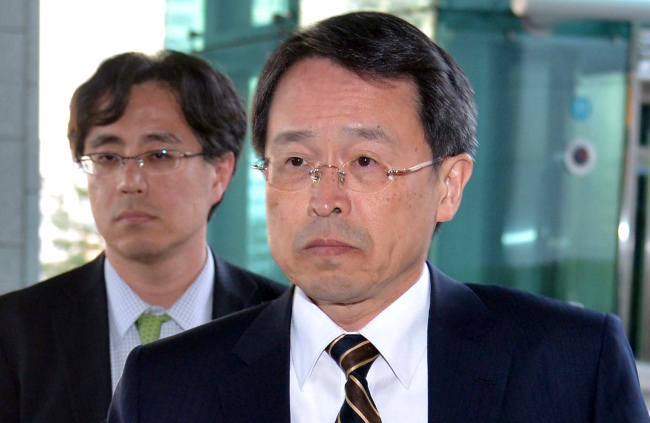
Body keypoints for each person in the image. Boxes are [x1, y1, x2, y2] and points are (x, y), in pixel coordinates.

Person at [106, 12, 649, 423]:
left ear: (449, 186)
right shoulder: (164, 389)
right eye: (296, 162)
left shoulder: (571, 368)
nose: (325, 198)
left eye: (364, 162)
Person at [0, 51, 285, 423]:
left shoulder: (281, 324)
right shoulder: (14, 334)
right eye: (106, 157)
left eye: (159, 155)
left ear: (220, 172)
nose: (129, 182)